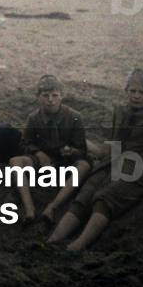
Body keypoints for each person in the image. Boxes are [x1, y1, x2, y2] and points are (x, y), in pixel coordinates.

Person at [48, 68, 143, 251]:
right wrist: (102, 164)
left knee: (106, 198)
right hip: (115, 162)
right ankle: (54, 239)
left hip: (142, 167)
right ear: (126, 91)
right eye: (132, 91)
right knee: (86, 193)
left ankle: (77, 245)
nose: (136, 96)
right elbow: (115, 143)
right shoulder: (120, 111)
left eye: (142, 92)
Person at [8, 75, 89, 222]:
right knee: (15, 161)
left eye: (55, 95)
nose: (50, 99)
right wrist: (38, 153)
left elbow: (82, 150)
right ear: (38, 97)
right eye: (45, 95)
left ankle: (53, 207)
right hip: (42, 163)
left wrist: (71, 151)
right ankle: (29, 209)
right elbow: (24, 143)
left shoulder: (74, 117)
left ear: (61, 96)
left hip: (65, 164)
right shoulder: (34, 118)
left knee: (83, 166)